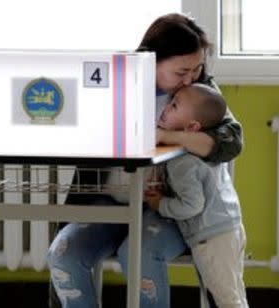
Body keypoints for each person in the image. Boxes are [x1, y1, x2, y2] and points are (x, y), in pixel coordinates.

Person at [46, 13, 243, 308]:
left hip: (166, 208)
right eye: (181, 72)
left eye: (196, 68)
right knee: (63, 254)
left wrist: (169, 137)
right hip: (108, 204)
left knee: (138, 254)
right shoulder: (117, 83)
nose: (189, 78)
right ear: (152, 61)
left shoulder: (199, 92)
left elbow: (231, 141)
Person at [144, 83, 248, 308]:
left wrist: (160, 203)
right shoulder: (204, 149)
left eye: (174, 105)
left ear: (192, 126)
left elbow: (192, 205)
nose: (166, 108)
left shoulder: (182, 161)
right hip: (231, 227)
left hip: (211, 237)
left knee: (226, 301)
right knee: (234, 294)